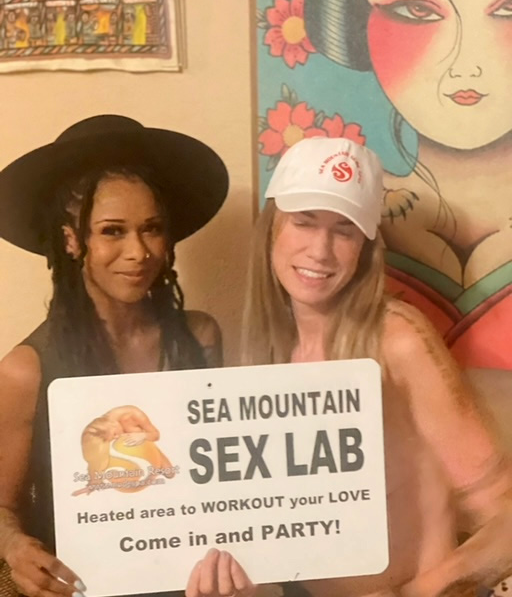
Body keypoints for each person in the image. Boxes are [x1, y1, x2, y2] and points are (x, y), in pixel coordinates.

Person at [208, 136, 509, 597]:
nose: (320, 250)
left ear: (366, 248)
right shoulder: (263, 352)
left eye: (344, 230)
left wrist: (417, 594)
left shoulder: (397, 340)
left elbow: (506, 517)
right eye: (304, 222)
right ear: (272, 230)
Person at [0, 114, 252, 597]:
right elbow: (3, 506)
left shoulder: (198, 338)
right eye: (113, 231)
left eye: (151, 228)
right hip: (83, 585)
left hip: (186, 579)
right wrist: (15, 548)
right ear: (72, 240)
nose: (138, 252)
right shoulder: (26, 369)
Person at [303, 0, 512, 368]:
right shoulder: (341, 220)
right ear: (352, 25)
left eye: (509, 9)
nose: (465, 65)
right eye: (416, 10)